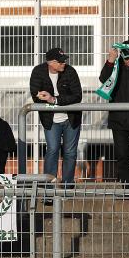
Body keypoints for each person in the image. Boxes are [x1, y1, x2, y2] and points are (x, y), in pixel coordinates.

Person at [29, 47, 83, 185]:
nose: (63, 63)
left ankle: (67, 185)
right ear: (51, 63)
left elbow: (77, 96)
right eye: (60, 62)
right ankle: (49, 186)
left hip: (71, 119)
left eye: (64, 60)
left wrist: (54, 100)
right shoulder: (38, 71)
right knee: (52, 149)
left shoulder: (70, 71)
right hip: (51, 119)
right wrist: (43, 97)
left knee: (70, 152)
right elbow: (36, 94)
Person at [99, 40, 129, 184]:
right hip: (118, 119)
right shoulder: (116, 66)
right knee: (122, 154)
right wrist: (110, 60)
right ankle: (127, 187)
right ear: (122, 56)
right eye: (127, 59)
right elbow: (103, 79)